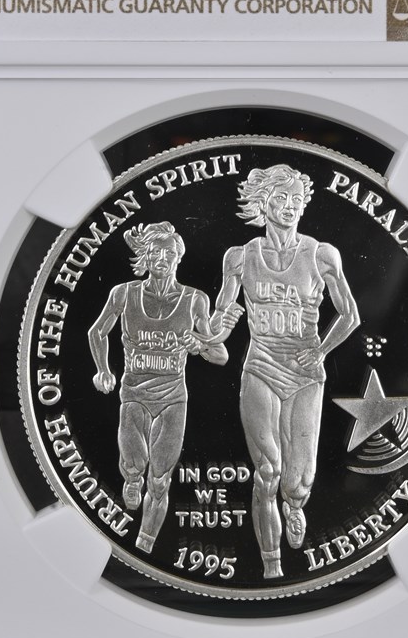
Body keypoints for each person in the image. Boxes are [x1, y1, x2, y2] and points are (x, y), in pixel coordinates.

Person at [210, 165, 360, 579]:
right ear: (264, 203)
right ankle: (271, 565)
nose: (290, 206)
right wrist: (214, 330)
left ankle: (294, 505)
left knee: (297, 482)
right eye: (281, 198)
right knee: (267, 471)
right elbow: (221, 318)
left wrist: (321, 350)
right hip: (260, 366)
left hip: (304, 374)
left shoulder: (322, 255)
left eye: (297, 199)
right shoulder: (239, 257)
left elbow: (350, 315)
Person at [89, 221, 239, 554]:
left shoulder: (195, 299)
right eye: (155, 251)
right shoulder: (124, 293)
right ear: (145, 256)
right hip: (134, 394)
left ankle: (144, 545)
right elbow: (96, 332)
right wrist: (103, 370)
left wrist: (198, 344)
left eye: (169, 252)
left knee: (160, 479)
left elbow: (221, 355)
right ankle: (131, 479)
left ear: (178, 257)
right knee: (135, 465)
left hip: (173, 399)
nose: (162, 258)